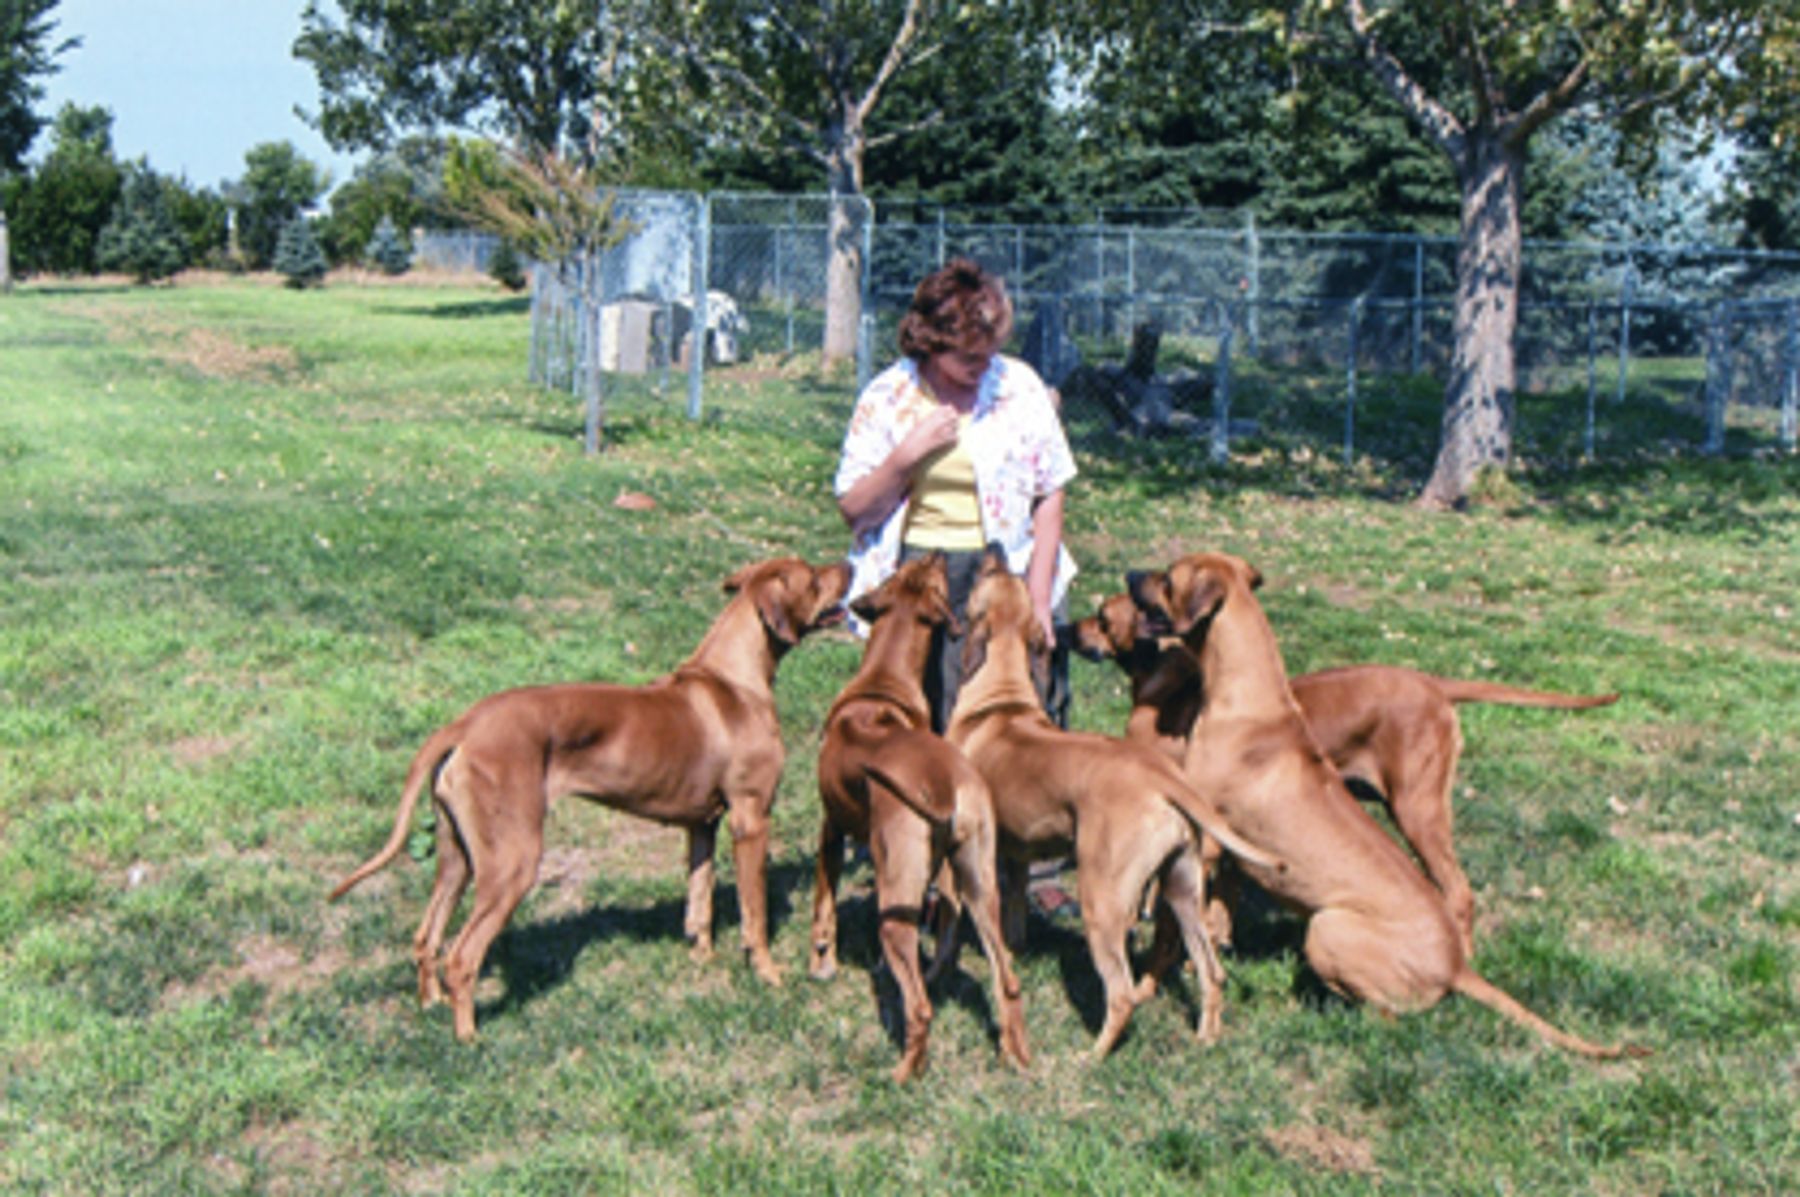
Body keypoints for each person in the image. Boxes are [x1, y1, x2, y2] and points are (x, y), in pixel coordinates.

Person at [835, 257, 1077, 732]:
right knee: (931, 720)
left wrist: (1040, 598)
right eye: (970, 358)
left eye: (990, 353)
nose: (984, 367)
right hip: (925, 575)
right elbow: (856, 511)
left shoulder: (1019, 385)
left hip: (1009, 572)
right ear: (931, 343)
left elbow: (1051, 491)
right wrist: (905, 456)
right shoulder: (887, 398)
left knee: (1026, 720)